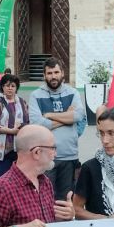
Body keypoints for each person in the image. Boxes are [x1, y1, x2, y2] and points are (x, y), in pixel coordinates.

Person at [29, 59, 87, 200]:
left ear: (62, 73)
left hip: (69, 156)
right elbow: (38, 123)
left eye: (56, 72)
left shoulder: (73, 93)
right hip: (45, 157)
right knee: (44, 199)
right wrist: (66, 117)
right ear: (44, 75)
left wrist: (49, 115)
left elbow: (78, 115)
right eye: (49, 73)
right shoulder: (36, 95)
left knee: (65, 201)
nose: (53, 76)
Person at [0, 73, 29, 180]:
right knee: (1, 179)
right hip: (2, 149)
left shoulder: (23, 103)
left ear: (16, 88)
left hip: (19, 149)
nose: (10, 88)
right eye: (7, 85)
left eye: (13, 86)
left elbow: (28, 121)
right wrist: (11, 131)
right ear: (2, 87)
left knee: (18, 179)